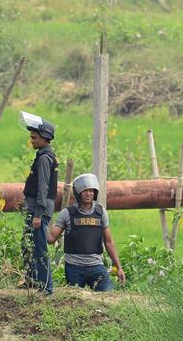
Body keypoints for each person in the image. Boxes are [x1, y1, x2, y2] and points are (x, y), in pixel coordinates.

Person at [47, 173, 125, 291]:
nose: (88, 194)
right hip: (74, 268)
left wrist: (118, 267)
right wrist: (39, 223)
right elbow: (51, 238)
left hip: (96, 266)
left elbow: (108, 242)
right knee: (76, 302)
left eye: (91, 191)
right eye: (85, 191)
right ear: (78, 193)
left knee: (107, 298)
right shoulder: (67, 214)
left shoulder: (101, 213)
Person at [19, 110, 58, 294]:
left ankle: (47, 287)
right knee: (28, 245)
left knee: (40, 248)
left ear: (44, 138)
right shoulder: (43, 155)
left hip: (38, 211)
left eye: (34, 137)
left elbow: (43, 188)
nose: (31, 140)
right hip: (37, 210)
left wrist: (38, 214)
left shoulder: (44, 159)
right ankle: (35, 281)